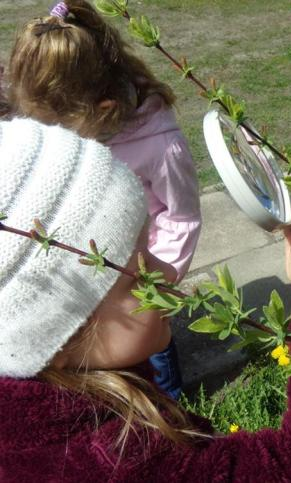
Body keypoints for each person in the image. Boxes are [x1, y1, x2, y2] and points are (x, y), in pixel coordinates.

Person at [0, 117, 291, 481]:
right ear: (57, 337)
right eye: (139, 277)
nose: (168, 272)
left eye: (148, 247)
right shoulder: (117, 462)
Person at [7, 0, 202, 399]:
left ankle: (173, 410)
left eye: (61, 128)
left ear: (105, 109)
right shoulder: (51, 104)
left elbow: (180, 217)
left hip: (132, 289)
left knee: (155, 365)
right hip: (77, 287)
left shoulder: (160, 146)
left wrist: (156, 279)